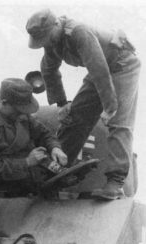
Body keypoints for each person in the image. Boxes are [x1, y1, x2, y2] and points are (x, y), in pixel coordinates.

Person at [25, 9, 141, 200]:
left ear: (56, 25)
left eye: (45, 37)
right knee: (74, 117)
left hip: (122, 65)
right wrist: (62, 103)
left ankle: (115, 181)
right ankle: (56, 171)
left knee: (118, 123)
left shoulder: (79, 32)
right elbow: (48, 70)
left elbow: (99, 70)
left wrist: (110, 106)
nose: (45, 42)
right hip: (99, 69)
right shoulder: (53, 40)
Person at [0, 78, 68, 196]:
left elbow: (44, 134)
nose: (23, 113)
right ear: (4, 102)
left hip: (28, 185)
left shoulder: (23, 117)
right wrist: (27, 162)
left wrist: (55, 148)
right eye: (18, 109)